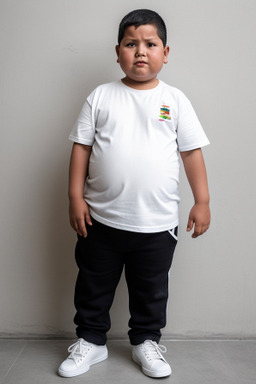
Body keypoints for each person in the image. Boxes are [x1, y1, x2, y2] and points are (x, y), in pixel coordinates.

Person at [58, 9, 210, 379]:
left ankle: (146, 341)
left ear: (165, 52)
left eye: (150, 44)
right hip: (101, 220)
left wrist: (202, 201)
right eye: (131, 44)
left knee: (151, 291)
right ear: (118, 52)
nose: (140, 51)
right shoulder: (101, 96)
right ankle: (92, 342)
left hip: (156, 224)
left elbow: (191, 152)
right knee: (93, 285)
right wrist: (74, 197)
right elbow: (81, 147)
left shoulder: (175, 100)